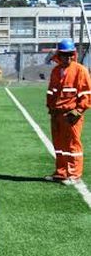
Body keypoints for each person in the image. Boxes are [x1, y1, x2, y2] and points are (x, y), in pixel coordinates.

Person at [45, 39, 90, 184]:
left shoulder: (80, 70)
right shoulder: (56, 71)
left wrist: (78, 110)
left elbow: (86, 94)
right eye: (65, 55)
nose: (68, 57)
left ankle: (74, 175)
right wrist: (51, 109)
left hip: (72, 115)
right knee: (59, 145)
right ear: (59, 55)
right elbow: (52, 92)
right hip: (56, 115)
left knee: (72, 145)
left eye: (71, 54)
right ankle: (61, 172)